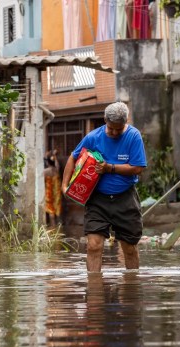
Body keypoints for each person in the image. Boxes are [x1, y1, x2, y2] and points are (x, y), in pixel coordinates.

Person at [61, 102, 147, 272]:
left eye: (118, 129)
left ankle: (132, 291)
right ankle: (94, 293)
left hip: (125, 198)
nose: (114, 133)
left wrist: (110, 168)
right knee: (93, 246)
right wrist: (64, 186)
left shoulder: (133, 136)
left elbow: (138, 168)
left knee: (129, 248)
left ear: (125, 122)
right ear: (104, 121)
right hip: (98, 199)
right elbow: (73, 157)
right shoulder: (93, 137)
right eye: (111, 129)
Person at [44, 149, 62, 227]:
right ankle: (58, 225)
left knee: (51, 209)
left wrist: (47, 156)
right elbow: (58, 165)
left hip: (49, 191)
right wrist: (54, 156)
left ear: (47, 162)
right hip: (57, 191)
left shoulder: (45, 171)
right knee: (57, 206)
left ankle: (53, 225)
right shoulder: (56, 170)